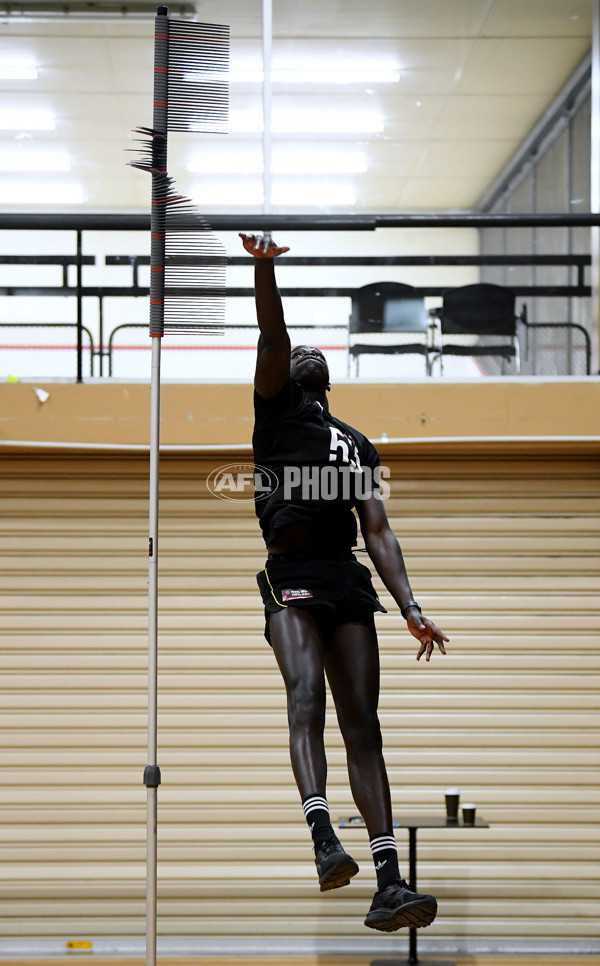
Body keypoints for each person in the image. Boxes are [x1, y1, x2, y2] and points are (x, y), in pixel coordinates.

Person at [240, 231, 449, 933]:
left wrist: (411, 606)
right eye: (296, 353)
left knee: (365, 726)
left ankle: (389, 882)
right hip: (291, 574)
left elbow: (379, 529)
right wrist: (264, 273)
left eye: (310, 357)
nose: (302, 354)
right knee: (306, 697)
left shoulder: (355, 441)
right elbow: (274, 333)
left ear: (326, 378)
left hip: (346, 578)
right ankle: (325, 841)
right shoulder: (276, 410)